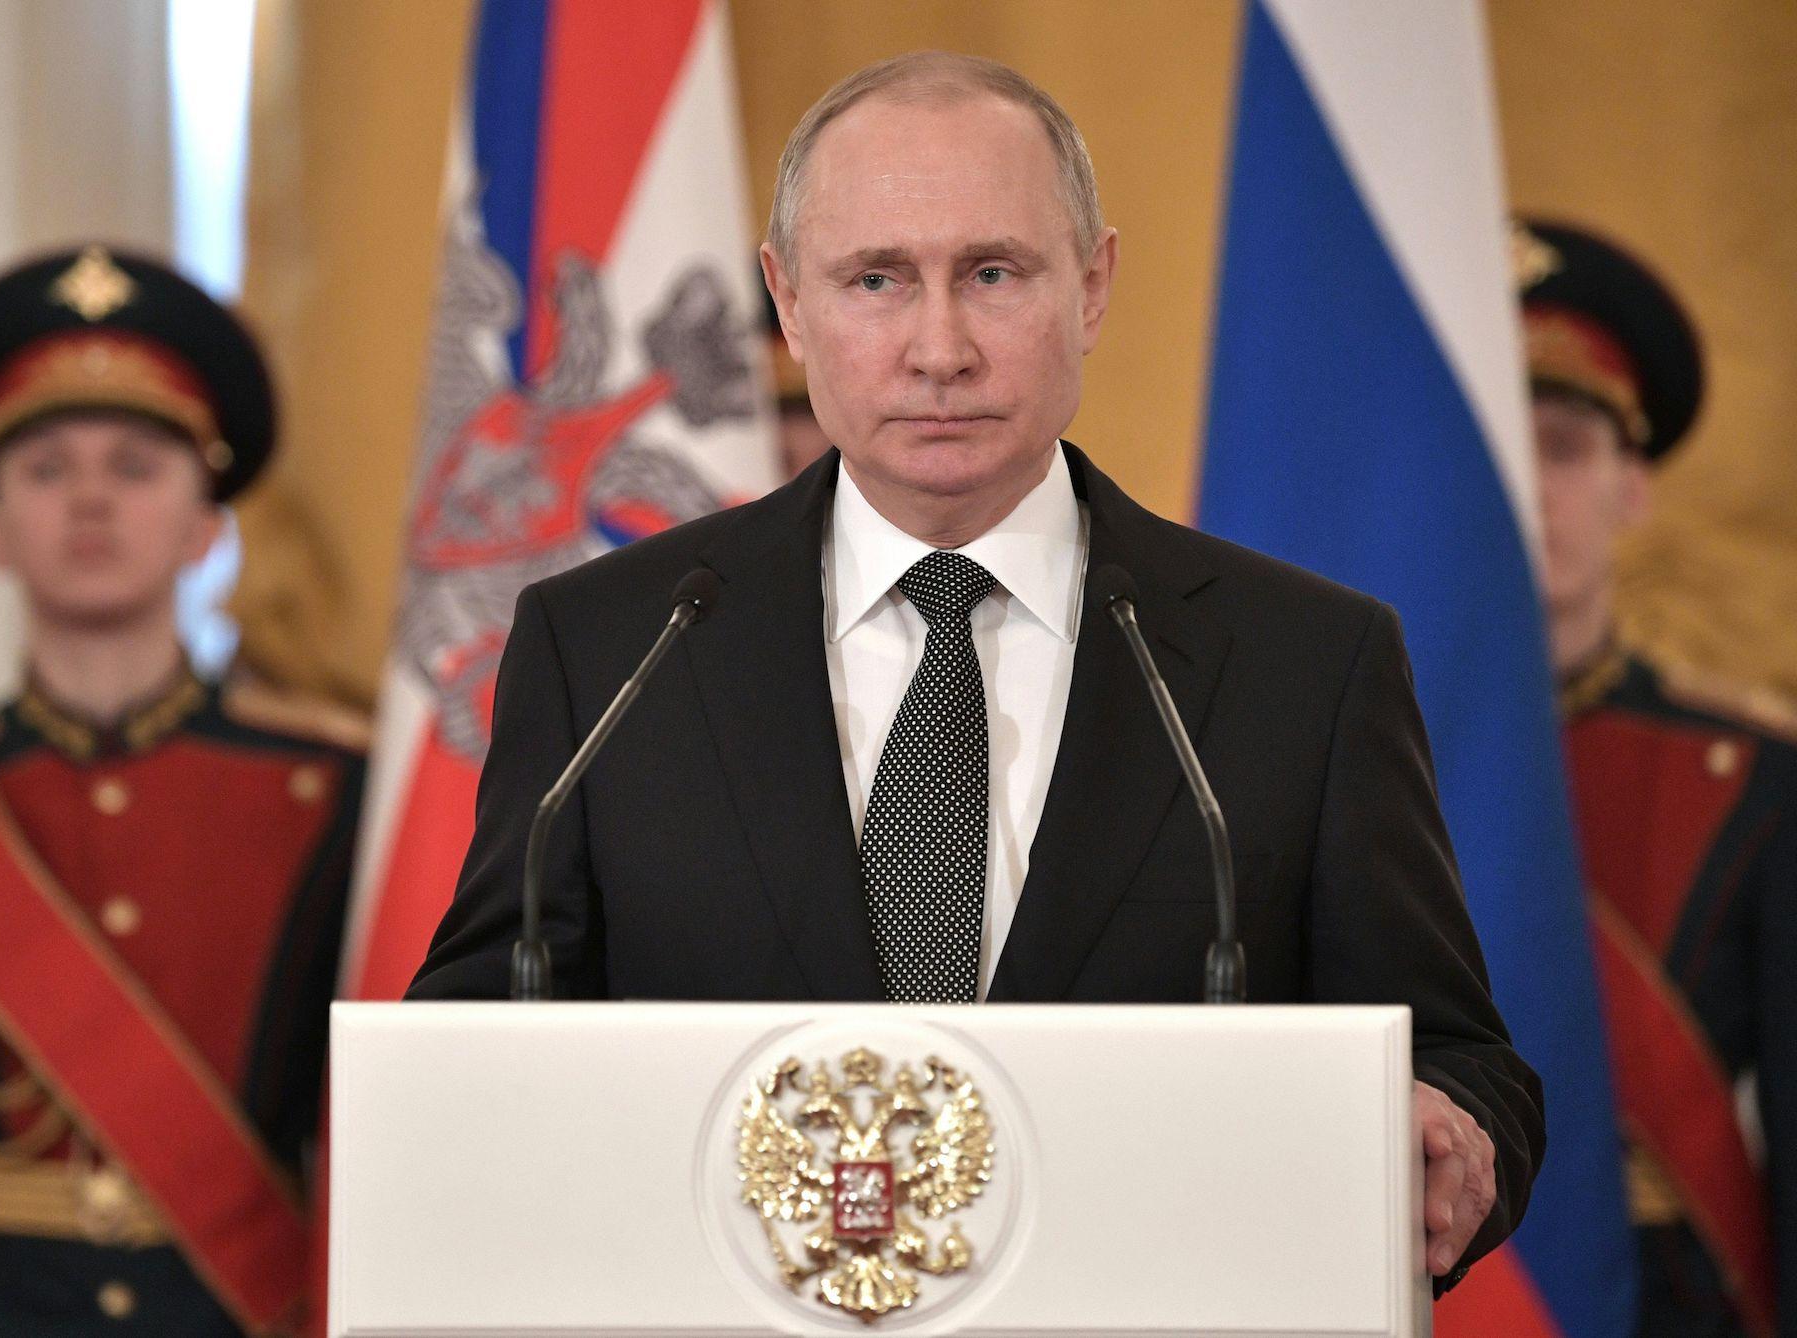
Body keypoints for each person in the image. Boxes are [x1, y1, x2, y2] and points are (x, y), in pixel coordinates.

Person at [410, 52, 1540, 1286]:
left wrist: (1451, 1126)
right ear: (787, 306)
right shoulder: (611, 647)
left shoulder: (1301, 662)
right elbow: (472, 1047)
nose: (936, 348)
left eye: (992, 274)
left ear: (1092, 286)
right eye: (875, 280)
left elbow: (1456, 1056)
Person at [0, 246, 365, 1336]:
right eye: (46, 468)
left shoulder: (327, 791)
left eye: (136, 465)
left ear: (204, 528)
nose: (90, 495)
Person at [1519, 217, 1797, 1338]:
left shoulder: (1749, 775)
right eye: (1490, 442)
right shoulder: (1322, 748)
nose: (1527, 488)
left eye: (1563, 446)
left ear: (1631, 486)